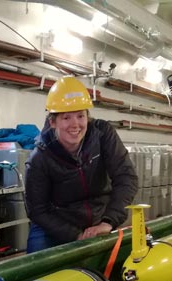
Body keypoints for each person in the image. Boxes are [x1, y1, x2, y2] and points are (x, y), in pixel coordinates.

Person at [25, 76, 139, 252]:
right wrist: (76, 236)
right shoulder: (40, 158)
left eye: (80, 115)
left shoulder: (103, 135)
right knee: (34, 270)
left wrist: (109, 221)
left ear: (88, 117)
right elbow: (38, 211)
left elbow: (126, 177)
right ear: (52, 122)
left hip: (99, 219)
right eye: (66, 118)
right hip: (57, 225)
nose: (75, 124)